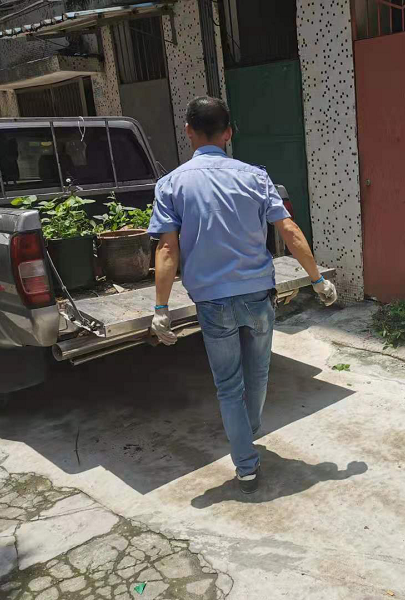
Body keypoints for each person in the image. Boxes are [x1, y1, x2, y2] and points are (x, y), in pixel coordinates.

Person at [148, 96, 337, 494]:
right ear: (229, 133)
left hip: (212, 301)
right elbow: (289, 230)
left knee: (229, 385)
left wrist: (161, 308)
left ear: (188, 131)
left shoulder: (172, 184)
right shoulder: (255, 177)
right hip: (257, 295)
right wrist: (317, 279)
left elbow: (166, 249)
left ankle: (245, 464)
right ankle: (246, 432)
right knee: (259, 372)